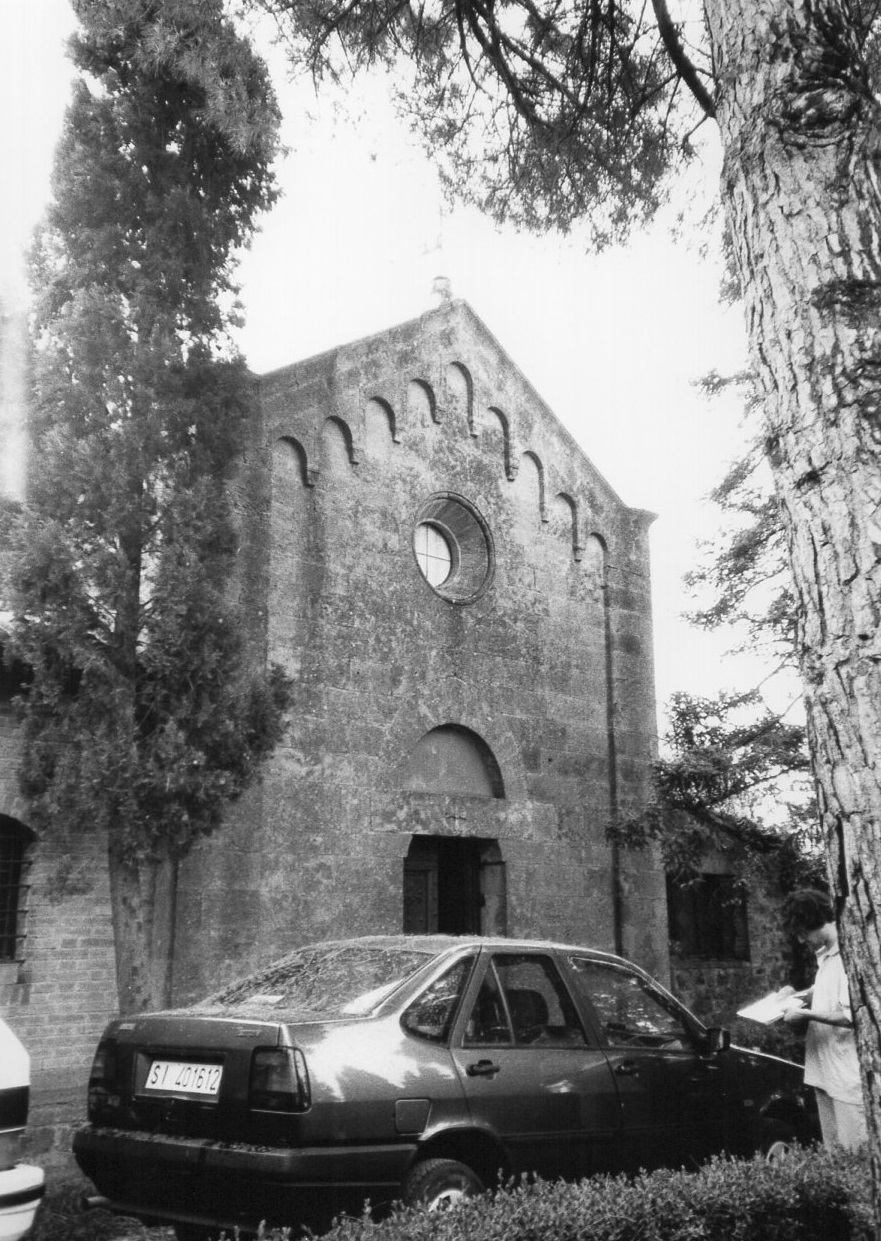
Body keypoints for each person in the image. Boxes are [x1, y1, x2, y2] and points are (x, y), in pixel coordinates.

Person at [779, 888, 867, 1150]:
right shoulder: (825, 954)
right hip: (823, 1072)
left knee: (855, 1154)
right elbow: (828, 990)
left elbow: (851, 1015)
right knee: (834, 1154)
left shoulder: (848, 954)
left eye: (802, 932)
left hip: (846, 1077)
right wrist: (799, 996)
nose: (801, 939)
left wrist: (804, 1013)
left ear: (812, 922)